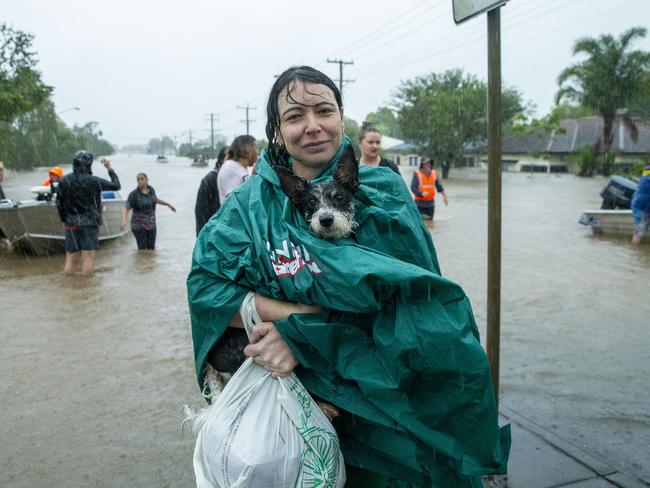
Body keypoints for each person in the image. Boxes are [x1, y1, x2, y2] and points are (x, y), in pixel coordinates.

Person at [188, 66, 508, 487]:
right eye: (295, 116)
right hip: (298, 422)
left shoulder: (385, 193)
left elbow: (419, 311)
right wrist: (292, 318)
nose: (313, 126)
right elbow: (207, 292)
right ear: (277, 131)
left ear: (342, 118)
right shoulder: (247, 208)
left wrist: (304, 338)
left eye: (324, 110)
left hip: (385, 415)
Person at [56, 151, 121, 276]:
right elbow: (116, 185)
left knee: (71, 258)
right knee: (88, 257)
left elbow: (58, 203)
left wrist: (65, 219)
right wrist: (109, 169)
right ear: (89, 165)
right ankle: (87, 290)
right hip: (89, 223)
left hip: (71, 223)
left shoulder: (64, 181)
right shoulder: (93, 181)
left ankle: (69, 289)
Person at [120, 173, 176, 250]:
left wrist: (168, 204)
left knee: (151, 249)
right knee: (142, 250)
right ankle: (142, 261)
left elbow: (155, 199)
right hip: (138, 226)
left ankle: (149, 262)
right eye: (138, 180)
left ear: (147, 180)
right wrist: (124, 220)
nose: (140, 181)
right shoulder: (133, 194)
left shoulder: (151, 190)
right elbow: (125, 207)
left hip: (151, 224)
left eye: (142, 179)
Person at [194, 146, 228, 236]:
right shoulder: (210, 179)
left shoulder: (237, 178)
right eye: (229, 158)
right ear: (221, 160)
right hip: (212, 233)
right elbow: (200, 213)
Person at [217, 135, 258, 204]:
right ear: (248, 149)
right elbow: (236, 202)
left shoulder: (239, 168)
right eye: (256, 148)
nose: (257, 152)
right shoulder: (230, 168)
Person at [631, 165, 650, 245]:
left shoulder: (644, 178)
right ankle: (635, 249)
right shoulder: (648, 180)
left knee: (639, 230)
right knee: (639, 231)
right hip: (642, 210)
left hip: (640, 207)